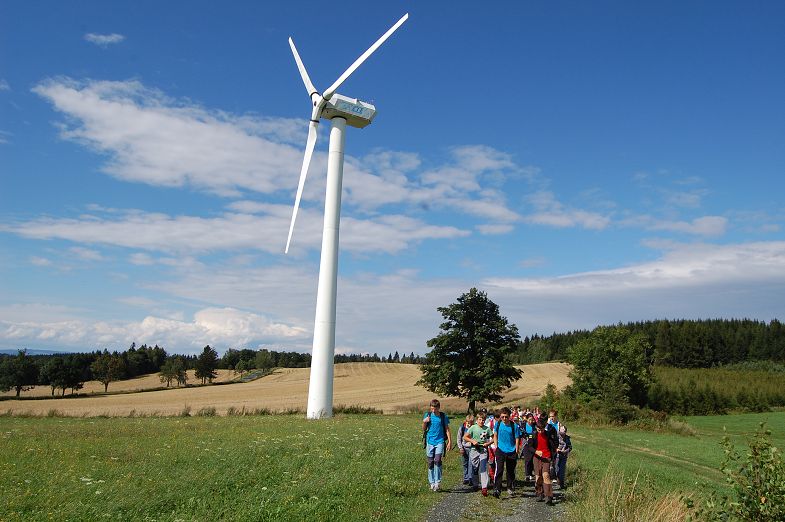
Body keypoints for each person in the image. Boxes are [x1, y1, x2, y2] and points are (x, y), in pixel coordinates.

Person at [492, 407, 523, 498]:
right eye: (502, 417)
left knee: (510, 470)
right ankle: (497, 488)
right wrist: (496, 445)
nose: (504, 419)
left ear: (509, 416)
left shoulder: (514, 426)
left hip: (511, 450)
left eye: (506, 417)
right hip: (500, 449)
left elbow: (517, 438)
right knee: (499, 469)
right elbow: (495, 435)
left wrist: (516, 449)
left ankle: (510, 487)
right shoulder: (498, 424)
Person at [422, 399, 452, 491]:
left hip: (440, 441)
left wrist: (450, 442)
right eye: (432, 409)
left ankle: (437, 482)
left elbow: (447, 429)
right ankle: (431, 482)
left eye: (435, 409)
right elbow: (424, 429)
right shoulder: (428, 415)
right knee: (430, 462)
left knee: (438, 460)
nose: (433, 410)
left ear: (439, 408)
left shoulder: (443, 416)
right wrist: (425, 422)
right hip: (430, 441)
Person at [464, 411, 493, 496]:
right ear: (477, 420)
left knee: (483, 468)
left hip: (483, 450)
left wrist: (488, 443)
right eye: (480, 419)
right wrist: (472, 441)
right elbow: (465, 437)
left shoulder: (487, 429)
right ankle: (475, 484)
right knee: (475, 467)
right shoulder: (473, 427)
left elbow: (494, 438)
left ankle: (484, 487)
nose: (481, 421)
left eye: (483, 420)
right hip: (474, 450)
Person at [531, 417, 559, 505]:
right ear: (536, 428)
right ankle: (539, 492)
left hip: (547, 457)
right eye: (539, 430)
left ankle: (549, 496)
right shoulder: (533, 435)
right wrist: (536, 451)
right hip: (537, 458)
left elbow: (554, 444)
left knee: (546, 475)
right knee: (538, 476)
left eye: (542, 430)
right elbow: (529, 447)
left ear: (544, 428)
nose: (540, 431)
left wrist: (554, 452)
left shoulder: (548, 434)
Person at [457, 414, 474, 485]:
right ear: (466, 421)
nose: (470, 424)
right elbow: (459, 438)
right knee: (465, 463)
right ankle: (466, 477)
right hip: (464, 448)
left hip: (472, 448)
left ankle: (470, 478)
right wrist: (460, 448)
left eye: (471, 423)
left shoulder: (475, 428)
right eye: (468, 423)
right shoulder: (462, 428)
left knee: (471, 463)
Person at [555, 424, 572, 489]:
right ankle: (557, 478)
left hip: (564, 455)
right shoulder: (556, 437)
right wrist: (556, 449)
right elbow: (552, 445)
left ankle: (561, 483)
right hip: (557, 455)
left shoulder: (567, 438)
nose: (562, 432)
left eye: (564, 431)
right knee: (556, 469)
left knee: (562, 470)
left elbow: (570, 447)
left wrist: (565, 451)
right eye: (561, 430)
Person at [521, 412, 537, 481]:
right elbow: (521, 433)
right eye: (529, 420)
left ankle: (531, 473)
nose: (530, 421)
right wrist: (526, 436)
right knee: (527, 459)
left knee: (532, 459)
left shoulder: (535, 425)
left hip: (533, 444)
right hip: (526, 444)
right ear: (526, 419)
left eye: (532, 420)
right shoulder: (523, 425)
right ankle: (527, 474)